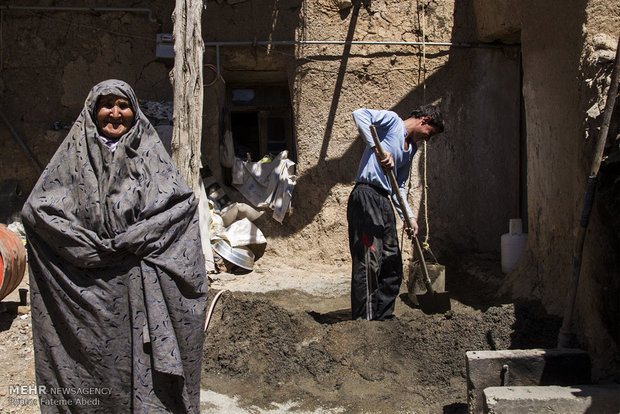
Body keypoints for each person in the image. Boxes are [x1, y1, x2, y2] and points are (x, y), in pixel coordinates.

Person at [21, 79, 208, 413]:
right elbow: (37, 211)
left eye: (123, 105)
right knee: (93, 364)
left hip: (137, 284)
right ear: (93, 110)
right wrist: (85, 247)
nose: (115, 113)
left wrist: (131, 240)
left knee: (143, 366)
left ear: (134, 111)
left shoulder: (150, 152)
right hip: (85, 287)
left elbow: (180, 207)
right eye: (107, 104)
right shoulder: (72, 155)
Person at [348, 105, 444, 321]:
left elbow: (399, 186)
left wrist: (409, 217)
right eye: (431, 133)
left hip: (384, 200)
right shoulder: (392, 122)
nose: (428, 140)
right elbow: (359, 114)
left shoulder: (411, 149)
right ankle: (364, 324)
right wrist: (377, 149)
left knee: (392, 263)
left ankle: (383, 319)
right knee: (368, 261)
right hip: (366, 195)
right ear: (425, 120)